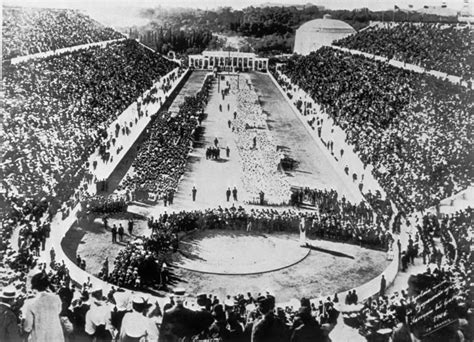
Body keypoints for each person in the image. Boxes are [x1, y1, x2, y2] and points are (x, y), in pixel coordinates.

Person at [23, 272, 65, 342]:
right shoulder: (56, 299)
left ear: (34, 287)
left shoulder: (31, 303)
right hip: (56, 338)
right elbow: (58, 311)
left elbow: (27, 327)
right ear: (46, 285)